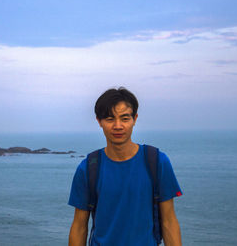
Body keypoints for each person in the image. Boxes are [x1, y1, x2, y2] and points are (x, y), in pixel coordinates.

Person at [68, 87, 182, 246]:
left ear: (134, 119)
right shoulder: (88, 168)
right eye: (109, 118)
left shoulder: (156, 161)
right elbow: (79, 226)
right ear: (99, 121)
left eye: (124, 118)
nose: (118, 126)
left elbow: (169, 221)